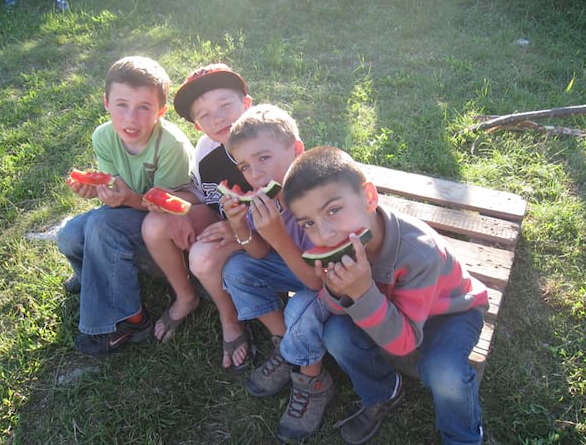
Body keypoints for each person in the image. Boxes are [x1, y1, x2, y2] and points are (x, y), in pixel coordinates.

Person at [282, 146, 488, 445]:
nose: (325, 234)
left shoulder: (420, 254)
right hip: (389, 308)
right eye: (309, 223)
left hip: (450, 311)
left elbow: (403, 344)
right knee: (336, 333)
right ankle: (384, 391)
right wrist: (339, 291)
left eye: (333, 210)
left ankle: (464, 436)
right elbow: (338, 308)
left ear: (368, 197)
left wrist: (362, 292)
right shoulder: (344, 245)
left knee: (443, 371)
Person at [56, 56, 195, 356]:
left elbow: (169, 210)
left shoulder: (172, 146)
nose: (131, 118)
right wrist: (96, 192)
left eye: (144, 107)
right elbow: (113, 184)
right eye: (121, 105)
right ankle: (92, 278)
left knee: (101, 226)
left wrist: (127, 199)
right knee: (68, 235)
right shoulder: (103, 136)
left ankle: (130, 320)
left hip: (160, 227)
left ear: (160, 111)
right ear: (106, 103)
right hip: (127, 212)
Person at [221, 104, 333, 442]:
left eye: (263, 158)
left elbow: (316, 281)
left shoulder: (320, 197)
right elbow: (257, 252)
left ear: (296, 150)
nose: (254, 173)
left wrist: (277, 236)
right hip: (293, 266)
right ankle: (287, 347)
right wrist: (241, 226)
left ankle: (313, 379)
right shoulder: (264, 198)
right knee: (237, 269)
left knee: (300, 309)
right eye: (244, 166)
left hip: (329, 281)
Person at [141, 63, 255, 371]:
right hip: (227, 221)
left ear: (247, 104)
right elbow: (206, 196)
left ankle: (229, 319)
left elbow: (292, 207)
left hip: (273, 232)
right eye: (203, 115)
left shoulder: (267, 139)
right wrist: (175, 202)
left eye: (225, 105)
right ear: (196, 126)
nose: (216, 118)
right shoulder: (205, 149)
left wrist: (240, 229)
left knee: (202, 257)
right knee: (155, 224)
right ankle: (186, 296)